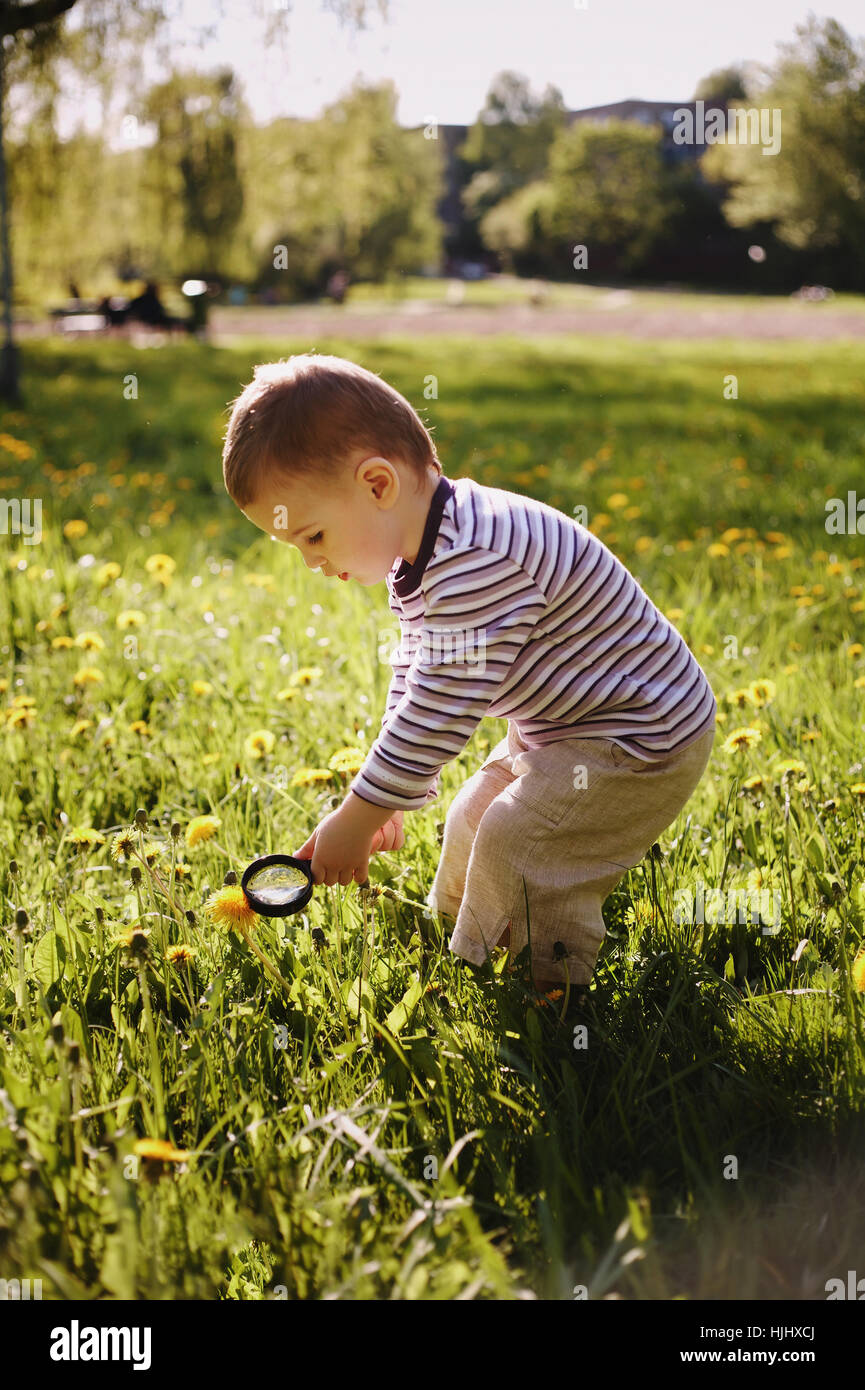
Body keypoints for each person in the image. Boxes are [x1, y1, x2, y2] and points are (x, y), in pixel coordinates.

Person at [221, 354, 716, 996]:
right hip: (567, 730)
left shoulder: (479, 558)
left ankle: (551, 995)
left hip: (640, 738)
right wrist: (382, 801)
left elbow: (441, 713)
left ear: (377, 485)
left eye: (313, 536)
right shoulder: (424, 554)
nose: (312, 562)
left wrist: (357, 816)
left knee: (524, 841)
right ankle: (467, 956)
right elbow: (416, 677)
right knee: (472, 815)